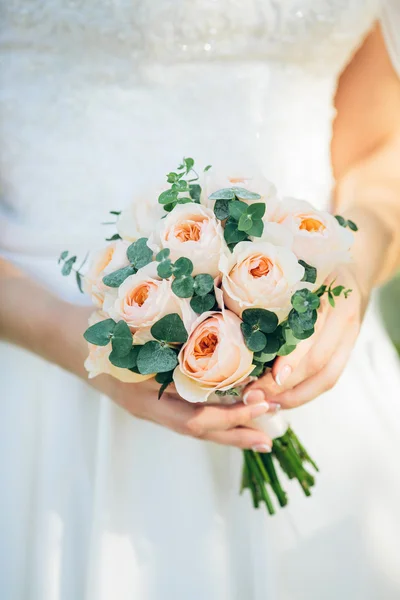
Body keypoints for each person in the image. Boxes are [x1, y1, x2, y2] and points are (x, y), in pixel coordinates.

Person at [1, 2, 400, 599]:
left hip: (319, 382)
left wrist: (352, 270)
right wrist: (73, 336)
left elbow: (376, 148)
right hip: (40, 382)